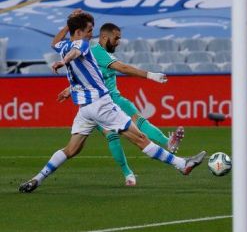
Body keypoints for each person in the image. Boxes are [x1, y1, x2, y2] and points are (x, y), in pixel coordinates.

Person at [19, 12, 206, 193]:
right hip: (101, 104)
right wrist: (63, 61)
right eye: (89, 30)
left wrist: (70, 25)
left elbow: (54, 43)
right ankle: (182, 164)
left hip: (85, 109)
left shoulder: (65, 45)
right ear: (79, 32)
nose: (92, 34)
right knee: (140, 138)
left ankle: (38, 178)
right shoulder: (82, 44)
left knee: (71, 149)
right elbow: (76, 52)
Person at [55, 18, 183, 186]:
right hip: (104, 102)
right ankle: (131, 170)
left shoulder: (97, 53)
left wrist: (70, 88)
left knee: (130, 126)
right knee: (120, 133)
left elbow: (88, 77)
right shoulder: (97, 51)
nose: (119, 42)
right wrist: (152, 76)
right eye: (116, 38)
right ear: (105, 37)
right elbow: (123, 68)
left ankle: (156, 152)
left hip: (109, 100)